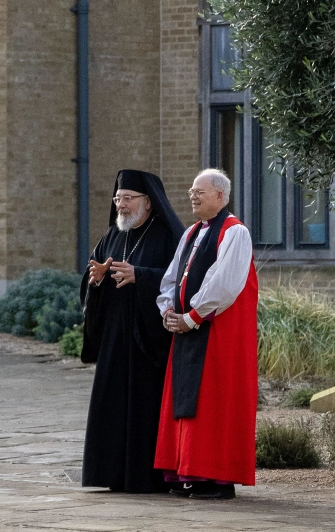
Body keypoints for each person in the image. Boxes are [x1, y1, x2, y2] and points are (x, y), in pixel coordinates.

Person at [154, 169, 258, 499]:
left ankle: (216, 477)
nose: (192, 196)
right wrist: (169, 310)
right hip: (188, 327)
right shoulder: (191, 234)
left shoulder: (235, 232)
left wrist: (194, 316)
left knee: (214, 401)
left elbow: (225, 283)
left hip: (217, 333)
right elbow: (172, 278)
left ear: (220, 196)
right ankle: (188, 473)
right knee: (187, 401)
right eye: (191, 190)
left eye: (200, 191)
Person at [81, 170, 184, 493]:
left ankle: (147, 476)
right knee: (110, 404)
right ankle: (109, 474)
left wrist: (140, 275)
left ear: (149, 203)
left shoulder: (169, 237)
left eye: (127, 199)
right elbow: (92, 277)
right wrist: (95, 280)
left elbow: (181, 280)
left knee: (145, 406)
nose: (121, 205)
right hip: (115, 337)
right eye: (117, 199)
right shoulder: (112, 236)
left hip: (149, 339)